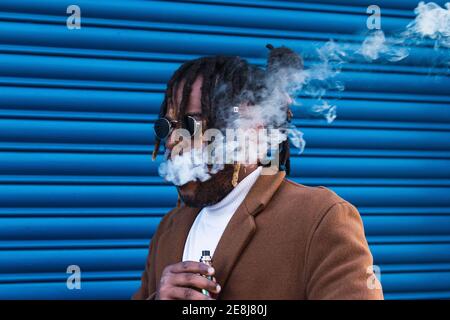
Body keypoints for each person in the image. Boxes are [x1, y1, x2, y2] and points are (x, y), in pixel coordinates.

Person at [132, 45, 383, 300]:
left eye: (191, 123)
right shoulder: (169, 228)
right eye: (166, 126)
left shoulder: (320, 219)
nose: (174, 139)